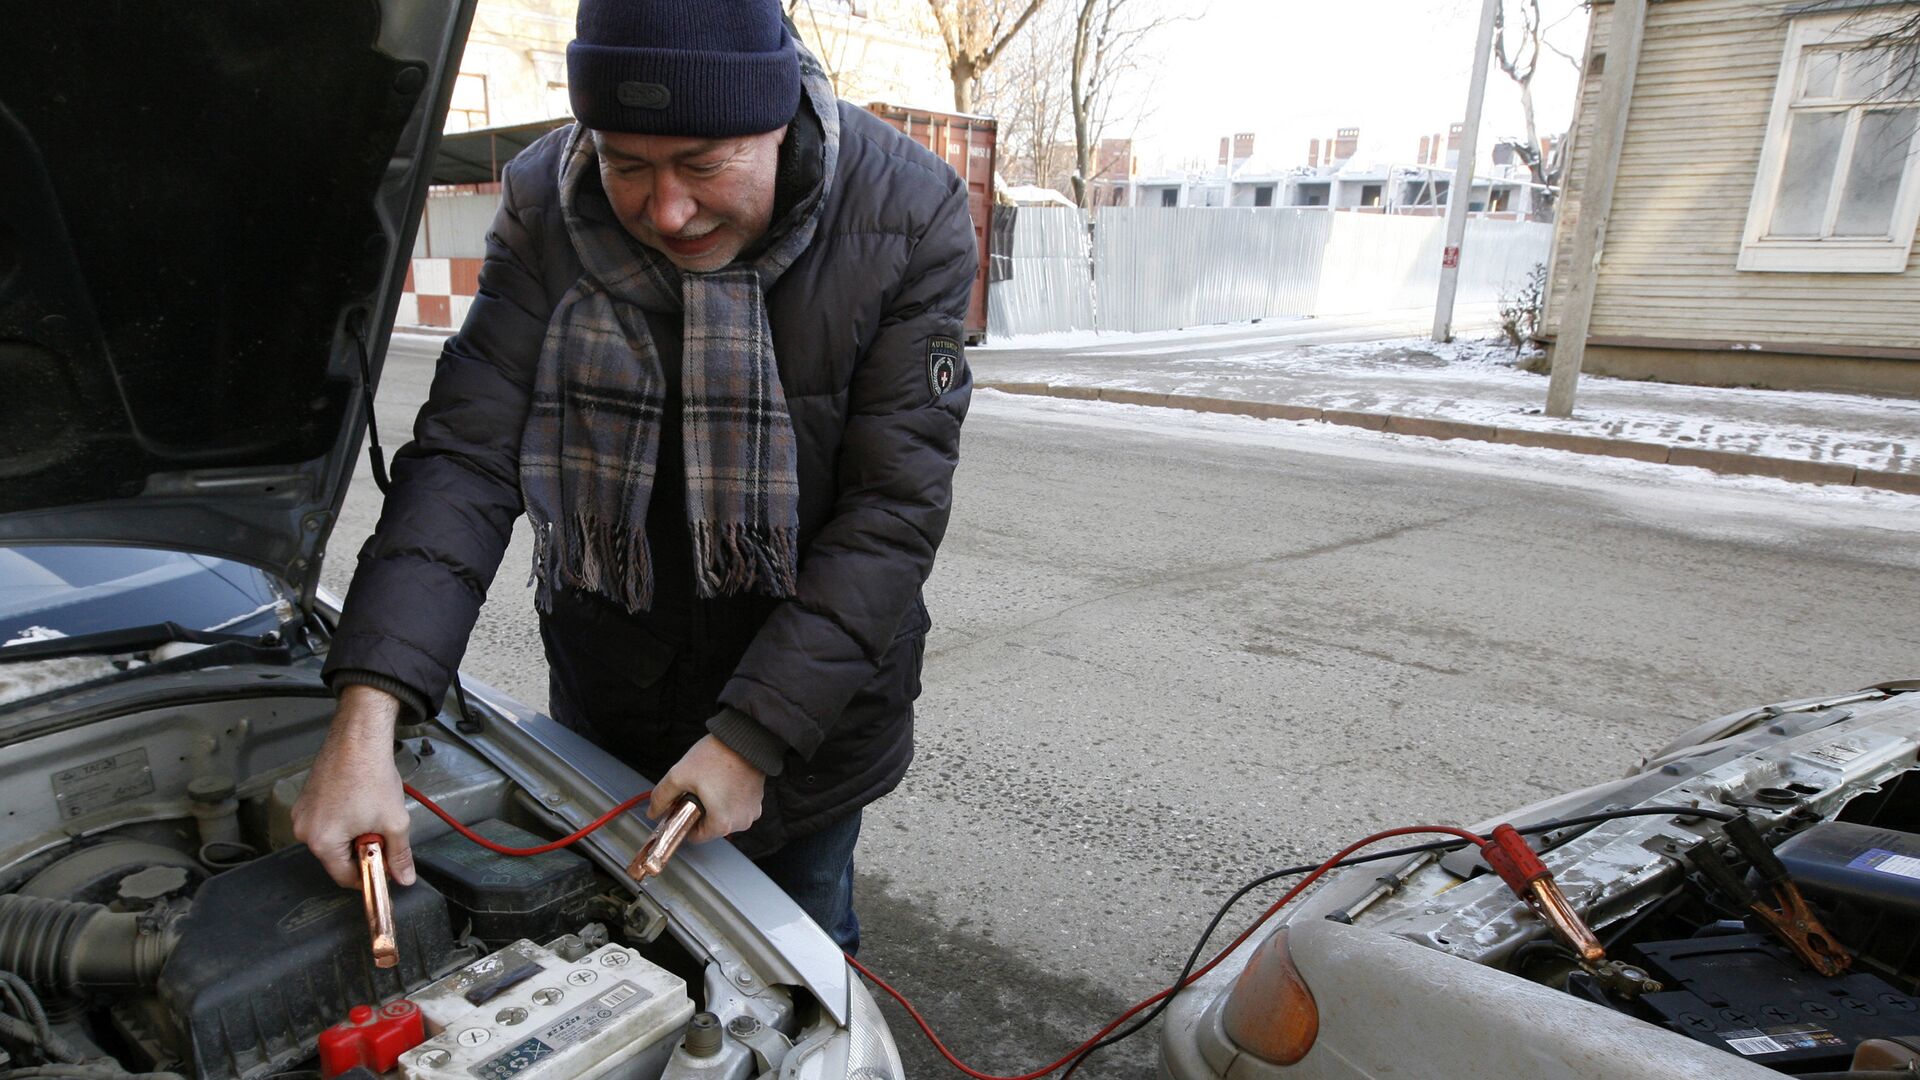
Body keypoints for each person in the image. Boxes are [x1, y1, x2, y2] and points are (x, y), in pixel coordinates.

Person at [291, 0, 974, 956]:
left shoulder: (912, 212)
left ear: (778, 121)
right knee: (622, 959)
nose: (668, 211)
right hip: (611, 696)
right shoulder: (545, 198)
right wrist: (368, 719)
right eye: (625, 163)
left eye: (702, 164)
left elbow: (891, 511)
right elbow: (467, 456)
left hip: (808, 726)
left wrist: (752, 740)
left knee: (800, 951)